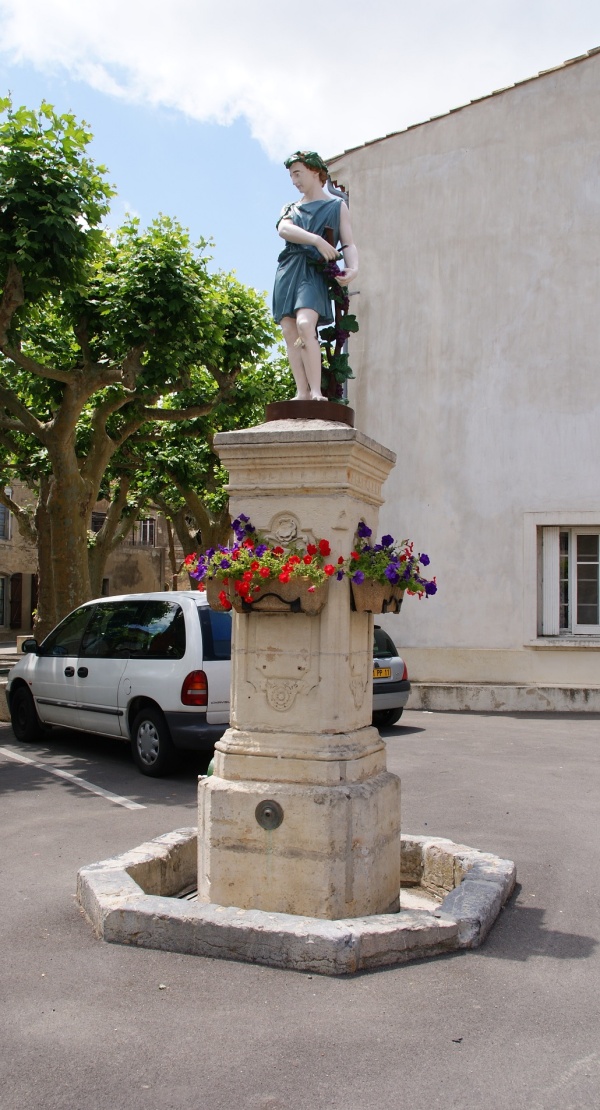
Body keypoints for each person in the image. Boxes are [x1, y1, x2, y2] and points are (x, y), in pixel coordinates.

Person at [273, 150, 358, 401]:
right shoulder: (291, 208)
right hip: (289, 269)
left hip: (313, 272)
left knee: (304, 324)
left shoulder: (335, 205)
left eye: (298, 173)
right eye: (291, 176)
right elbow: (284, 229)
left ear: (314, 171)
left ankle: (317, 392)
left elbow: (348, 244)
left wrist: (353, 268)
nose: (294, 180)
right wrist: (317, 240)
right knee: (289, 331)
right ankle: (302, 393)